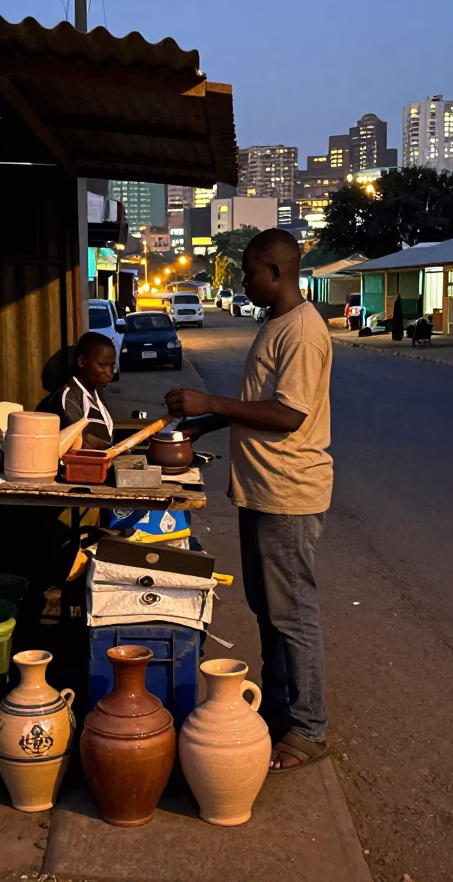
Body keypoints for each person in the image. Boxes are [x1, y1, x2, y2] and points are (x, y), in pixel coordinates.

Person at [165, 228, 332, 774]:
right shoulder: (276, 324)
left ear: (276, 272)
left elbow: (288, 415)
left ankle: (309, 729)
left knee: (293, 616)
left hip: (288, 492)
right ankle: (281, 710)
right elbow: (257, 405)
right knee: (269, 612)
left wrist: (208, 399)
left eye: (249, 272)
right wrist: (203, 423)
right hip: (261, 489)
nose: (243, 281)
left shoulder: (303, 333)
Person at [41, 331, 117, 449]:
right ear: (82, 362)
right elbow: (81, 440)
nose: (110, 373)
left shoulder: (96, 394)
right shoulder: (69, 396)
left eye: (112, 366)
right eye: (102, 365)